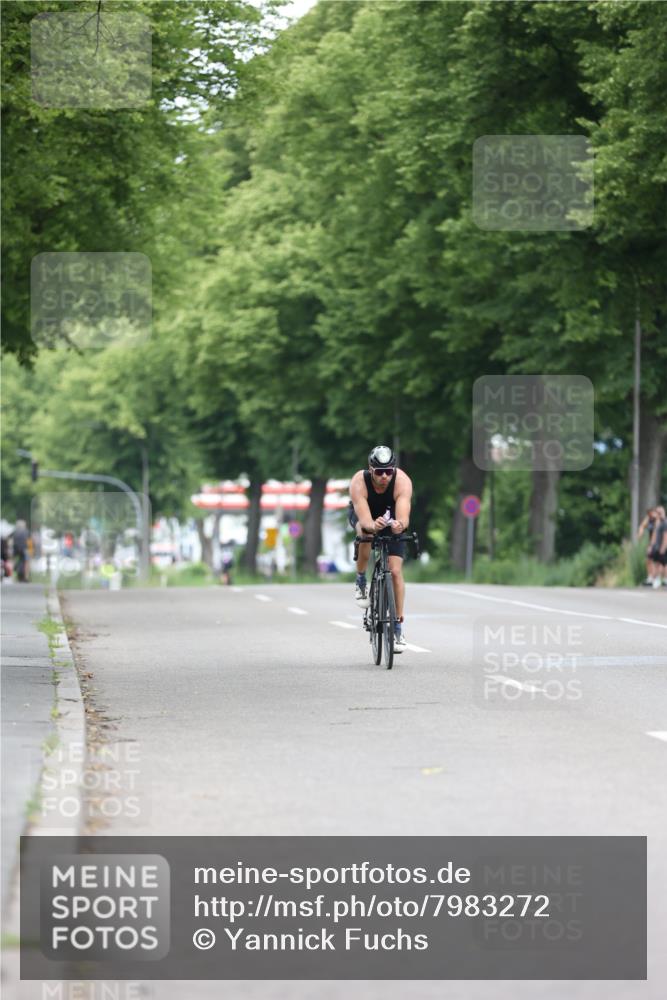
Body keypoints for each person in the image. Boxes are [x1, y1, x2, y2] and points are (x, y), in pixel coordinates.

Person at [348, 445, 413, 652]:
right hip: (365, 514)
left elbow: (403, 516)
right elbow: (365, 519)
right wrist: (371, 526)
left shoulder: (401, 481)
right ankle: (360, 579)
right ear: (371, 469)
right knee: (365, 535)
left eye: (388, 471)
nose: (384, 476)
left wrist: (399, 525)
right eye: (379, 472)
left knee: (394, 571)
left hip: (390, 515)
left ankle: (397, 626)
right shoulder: (359, 481)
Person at [637, 508, 658, 586]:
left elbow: (655, 533)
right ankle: (650, 577)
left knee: (655, 561)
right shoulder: (649, 519)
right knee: (648, 560)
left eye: (652, 513)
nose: (651, 515)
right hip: (652, 542)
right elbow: (642, 526)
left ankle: (655, 578)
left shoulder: (657, 520)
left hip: (657, 542)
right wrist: (640, 532)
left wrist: (651, 545)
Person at [648, 506, 667, 590]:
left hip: (662, 547)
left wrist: (663, 547)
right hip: (657, 547)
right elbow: (654, 536)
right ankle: (656, 579)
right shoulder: (658, 523)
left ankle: (663, 579)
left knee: (663, 564)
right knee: (656, 563)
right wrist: (651, 546)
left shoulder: (664, 523)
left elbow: (665, 536)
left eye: (659, 513)